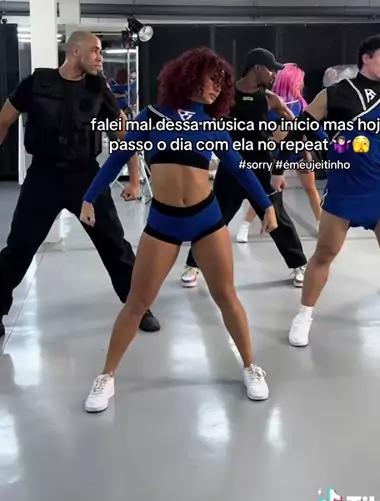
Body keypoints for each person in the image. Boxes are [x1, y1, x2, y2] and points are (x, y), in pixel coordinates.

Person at [81, 48, 277, 411]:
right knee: (137, 303)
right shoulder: (151, 118)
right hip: (163, 222)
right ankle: (106, 375)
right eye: (211, 80)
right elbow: (116, 159)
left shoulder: (212, 125)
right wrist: (89, 197)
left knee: (226, 296)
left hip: (207, 220)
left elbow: (239, 167)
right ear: (189, 77)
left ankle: (251, 366)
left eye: (221, 83)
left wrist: (265, 204)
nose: (217, 88)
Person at [271, 34, 380, 346]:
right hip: (344, 192)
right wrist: (277, 169)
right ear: (366, 58)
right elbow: (299, 131)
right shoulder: (334, 94)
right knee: (324, 254)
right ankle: (304, 316)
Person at [0, 31, 160, 338]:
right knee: (19, 247)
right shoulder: (36, 83)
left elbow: (124, 136)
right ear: (75, 51)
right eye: (95, 50)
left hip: (86, 177)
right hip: (43, 176)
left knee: (114, 244)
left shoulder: (99, 89)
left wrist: (135, 180)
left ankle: (138, 307)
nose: (100, 57)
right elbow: (3, 120)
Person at [180, 48, 308, 289]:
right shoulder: (224, 95)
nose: (273, 75)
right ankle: (193, 264)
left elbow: (297, 127)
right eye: (271, 70)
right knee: (214, 217)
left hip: (261, 168)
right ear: (257, 68)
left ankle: (299, 264)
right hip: (231, 167)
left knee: (278, 217)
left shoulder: (271, 99)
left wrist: (296, 151)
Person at [236, 63, 322, 242]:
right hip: (276, 154)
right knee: (268, 192)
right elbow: (272, 132)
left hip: (298, 152)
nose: (300, 85)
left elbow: (306, 129)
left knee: (311, 190)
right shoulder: (271, 102)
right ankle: (245, 225)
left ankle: (323, 226)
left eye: (301, 82)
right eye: (298, 81)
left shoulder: (300, 103)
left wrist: (307, 150)